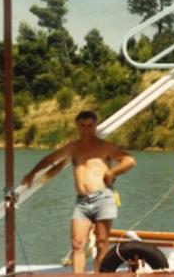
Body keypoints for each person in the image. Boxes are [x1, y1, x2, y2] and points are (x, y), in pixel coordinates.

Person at [21, 110, 136, 273]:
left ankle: (100, 275)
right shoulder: (73, 147)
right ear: (77, 127)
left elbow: (129, 160)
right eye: (82, 126)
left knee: (102, 242)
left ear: (95, 126)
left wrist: (112, 172)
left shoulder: (104, 146)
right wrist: (32, 173)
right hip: (82, 202)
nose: (86, 130)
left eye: (90, 126)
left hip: (103, 198)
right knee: (77, 243)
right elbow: (51, 159)